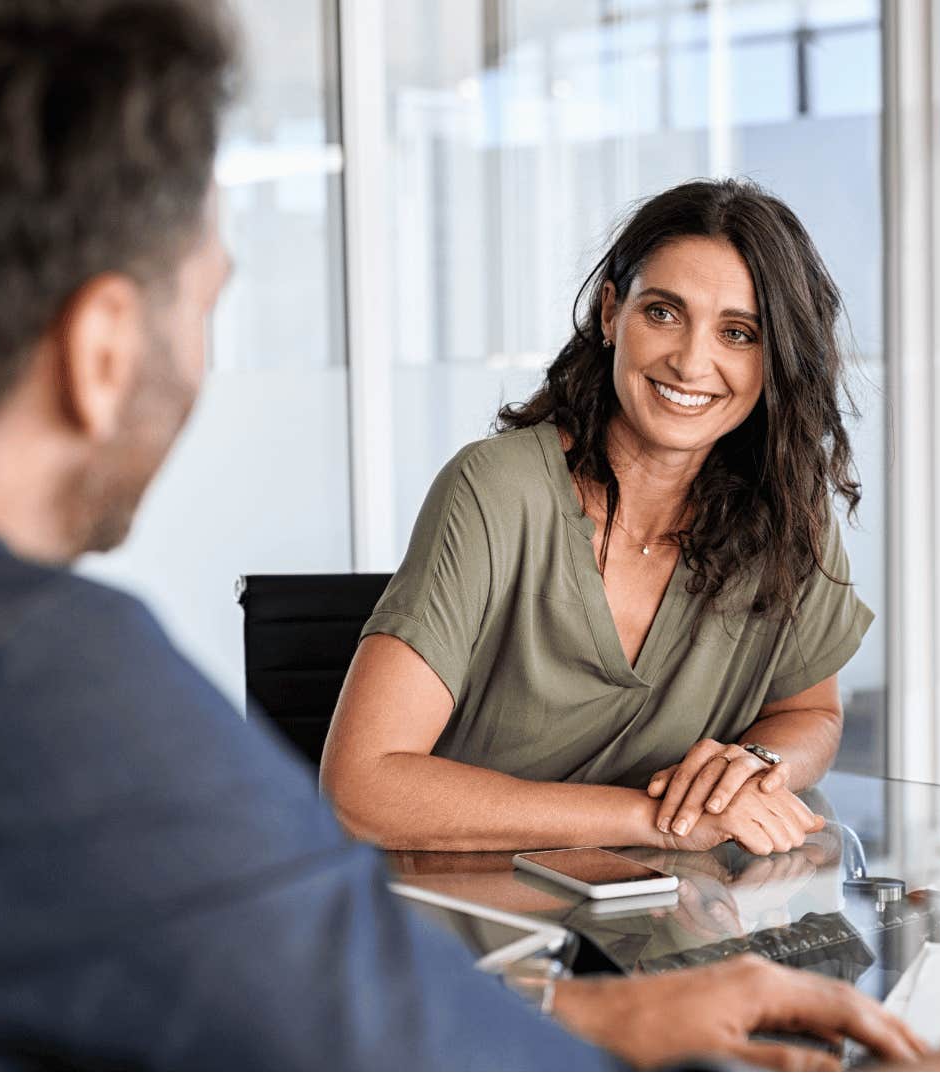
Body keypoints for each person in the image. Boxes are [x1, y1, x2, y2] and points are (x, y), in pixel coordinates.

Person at [0, 0, 940, 1070]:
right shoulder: (40, 695)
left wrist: (605, 1020)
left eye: (740, 333)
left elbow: (315, 1047)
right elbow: (358, 949)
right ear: (103, 346)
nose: (693, 357)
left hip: (591, 968)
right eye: (213, 288)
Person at [322, 179, 872, 856]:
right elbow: (362, 788)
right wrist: (653, 821)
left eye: (738, 333)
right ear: (611, 313)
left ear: (775, 356)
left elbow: (808, 712)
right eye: (664, 313)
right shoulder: (496, 490)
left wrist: (756, 764)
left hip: (666, 930)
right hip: (464, 923)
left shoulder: (789, 509)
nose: (692, 361)